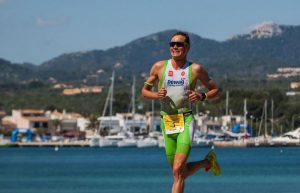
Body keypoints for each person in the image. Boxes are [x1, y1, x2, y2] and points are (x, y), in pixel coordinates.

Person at [141, 31, 221, 193]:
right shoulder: (159, 67)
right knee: (179, 172)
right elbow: (144, 90)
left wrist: (202, 95)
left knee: (178, 170)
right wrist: (156, 95)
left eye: (180, 44)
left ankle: (207, 162)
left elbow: (215, 90)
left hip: (185, 121)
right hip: (167, 122)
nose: (175, 47)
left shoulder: (195, 69)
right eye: (172, 44)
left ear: (187, 47)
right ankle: (207, 162)